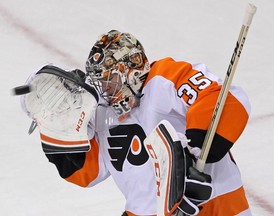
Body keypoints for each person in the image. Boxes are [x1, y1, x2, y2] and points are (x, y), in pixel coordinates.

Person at [21, 30, 251, 216]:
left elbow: (223, 100)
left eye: (108, 79)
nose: (103, 89)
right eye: (98, 81)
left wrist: (196, 154)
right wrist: (60, 133)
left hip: (216, 205)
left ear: (130, 70)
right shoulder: (101, 112)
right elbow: (88, 172)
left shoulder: (164, 78)